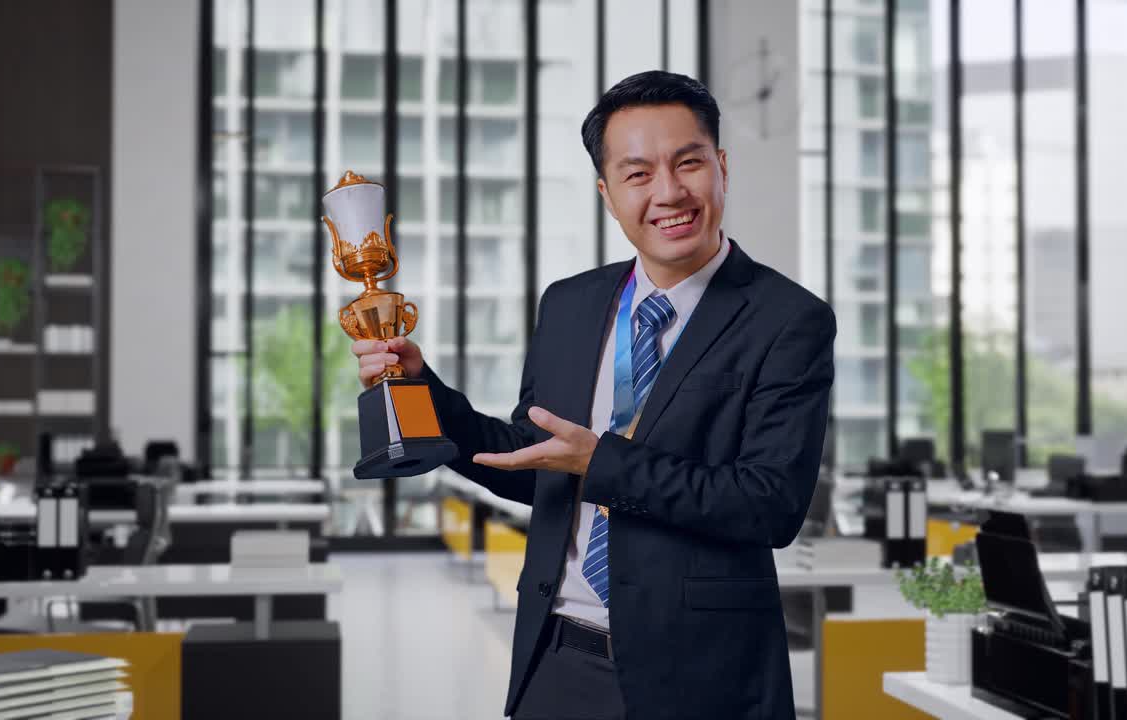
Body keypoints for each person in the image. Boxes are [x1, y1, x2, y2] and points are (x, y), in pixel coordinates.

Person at [353, 70, 835, 720]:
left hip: (702, 674)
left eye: (688, 163)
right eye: (638, 174)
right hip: (556, 658)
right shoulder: (571, 304)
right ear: (608, 193)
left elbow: (769, 506)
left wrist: (599, 462)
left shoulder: (787, 319)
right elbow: (539, 463)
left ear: (721, 166)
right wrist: (420, 390)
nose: (668, 192)